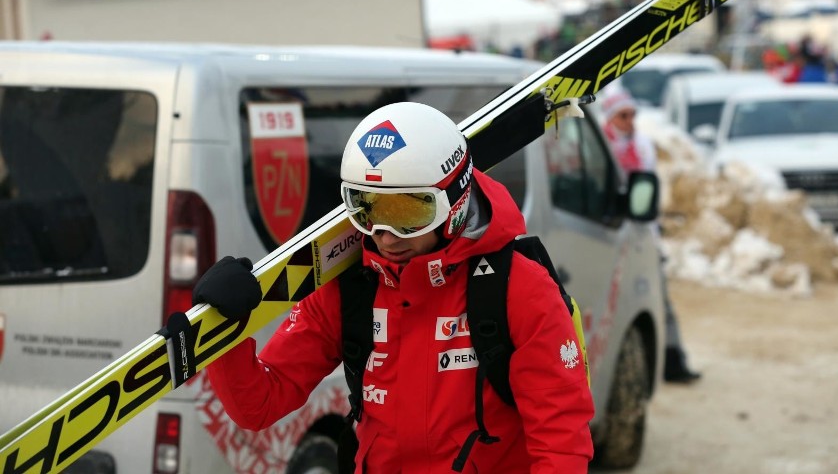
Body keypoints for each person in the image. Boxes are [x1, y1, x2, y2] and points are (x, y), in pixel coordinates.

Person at [194, 102, 595, 472]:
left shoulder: (518, 287)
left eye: (407, 212)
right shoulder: (350, 287)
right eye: (367, 208)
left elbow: (560, 442)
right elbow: (259, 404)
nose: (385, 236)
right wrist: (226, 332)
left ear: (452, 204)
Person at [600, 84, 701, 384]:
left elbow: (647, 189)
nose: (629, 121)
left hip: (642, 231)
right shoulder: (602, 147)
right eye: (622, 116)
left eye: (632, 115)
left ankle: (672, 359)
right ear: (609, 118)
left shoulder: (642, 145)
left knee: (658, 298)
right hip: (609, 234)